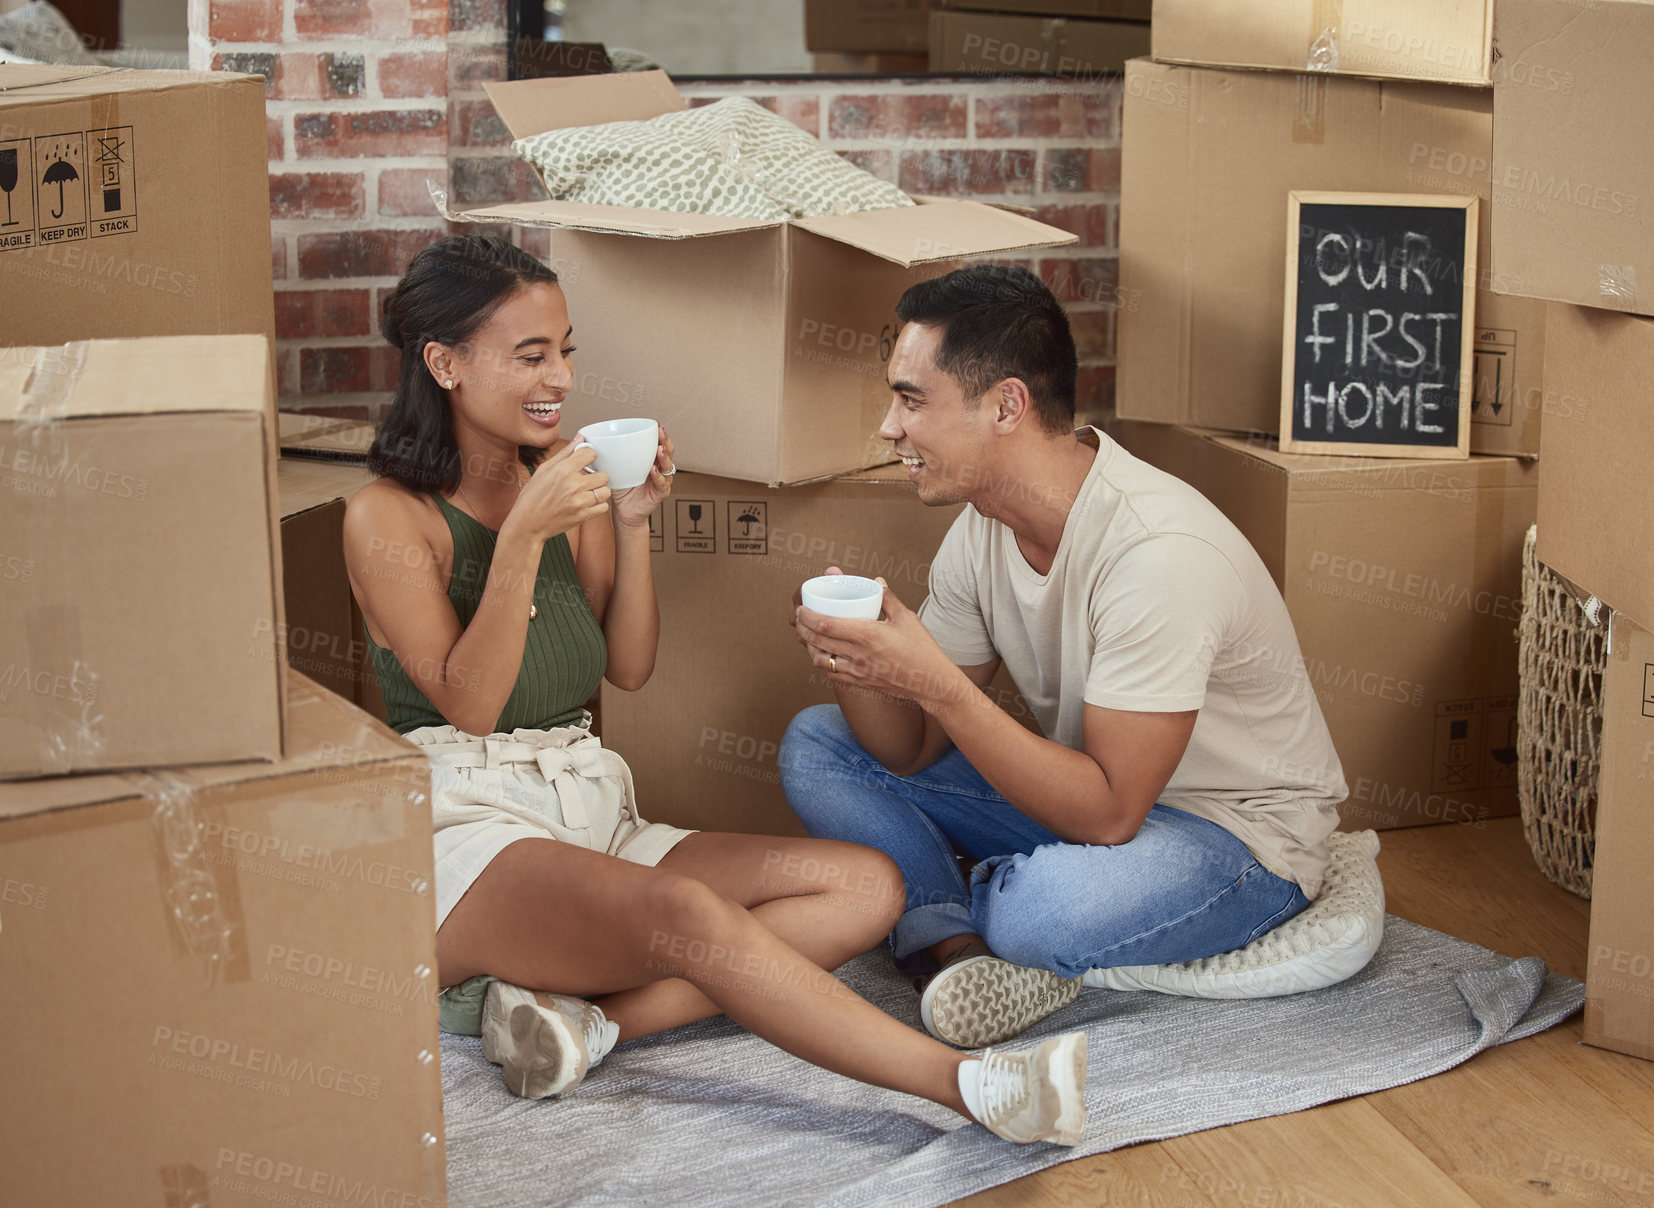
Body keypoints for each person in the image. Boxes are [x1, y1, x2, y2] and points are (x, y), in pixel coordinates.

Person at [341, 235, 1088, 1146]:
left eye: (567, 349)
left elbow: (630, 666)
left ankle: (592, 1023)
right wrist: (521, 542)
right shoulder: (387, 517)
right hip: (461, 828)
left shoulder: (561, 488)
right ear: (445, 363)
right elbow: (469, 703)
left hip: (583, 802)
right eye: (531, 355)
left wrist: (632, 521)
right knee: (694, 918)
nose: (562, 378)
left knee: (865, 887)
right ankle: (971, 1087)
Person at [780, 265, 1348, 1050]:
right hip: (1100, 805)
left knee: (1040, 912)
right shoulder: (981, 528)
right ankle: (957, 948)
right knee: (818, 743)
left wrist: (937, 685)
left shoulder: (1159, 555)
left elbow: (1111, 813)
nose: (889, 427)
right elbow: (906, 750)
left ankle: (956, 905)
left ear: (1006, 405)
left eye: (911, 400)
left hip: (1235, 838)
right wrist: (857, 663)